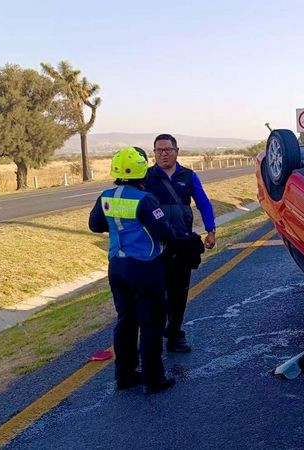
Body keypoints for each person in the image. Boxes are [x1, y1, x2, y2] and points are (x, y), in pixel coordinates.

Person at [88, 147, 181, 395]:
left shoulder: (106, 196)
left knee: (126, 321)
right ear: (142, 172)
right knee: (151, 322)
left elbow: (95, 225)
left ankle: (125, 374)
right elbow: (164, 230)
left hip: (116, 266)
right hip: (144, 266)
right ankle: (154, 379)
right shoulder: (144, 199)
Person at [144, 133, 216, 353]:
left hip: (182, 244)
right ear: (154, 153)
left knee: (179, 293)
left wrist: (211, 230)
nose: (164, 154)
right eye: (159, 150)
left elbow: (203, 203)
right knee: (156, 294)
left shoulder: (189, 176)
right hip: (154, 246)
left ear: (177, 151)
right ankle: (154, 337)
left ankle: (175, 335)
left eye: (168, 150)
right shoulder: (146, 177)